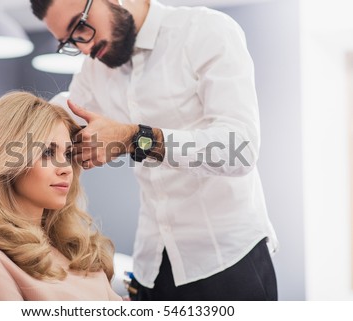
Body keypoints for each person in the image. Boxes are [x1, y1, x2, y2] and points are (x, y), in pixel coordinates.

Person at [30, 0, 279, 300]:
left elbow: (240, 149)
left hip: (229, 262)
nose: (84, 48)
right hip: (152, 267)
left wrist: (135, 138)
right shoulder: (94, 71)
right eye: (69, 42)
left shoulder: (206, 32)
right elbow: (61, 117)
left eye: (80, 26)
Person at [0, 91, 122, 301]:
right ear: (4, 163)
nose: (67, 169)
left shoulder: (75, 251)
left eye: (68, 154)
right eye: (47, 153)